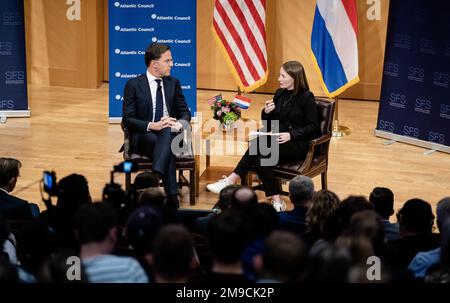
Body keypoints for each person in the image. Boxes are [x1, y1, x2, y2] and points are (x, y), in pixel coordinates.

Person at [206, 61, 319, 211]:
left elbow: (313, 127)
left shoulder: (306, 97)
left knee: (259, 143)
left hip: (297, 144)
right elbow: (269, 124)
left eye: (282, 76)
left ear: (294, 78)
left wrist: (291, 134)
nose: (279, 79)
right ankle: (277, 200)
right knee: (261, 160)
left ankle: (231, 180)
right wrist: (267, 112)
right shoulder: (280, 94)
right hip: (277, 142)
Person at [122, 42, 191, 208]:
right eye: (167, 61)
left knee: (167, 132)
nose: (172, 64)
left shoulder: (173, 83)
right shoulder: (133, 85)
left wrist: (178, 125)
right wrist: (153, 125)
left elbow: (185, 113)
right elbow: (128, 119)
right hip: (145, 136)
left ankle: (156, 177)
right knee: (166, 146)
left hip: (172, 133)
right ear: (154, 64)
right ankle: (172, 197)